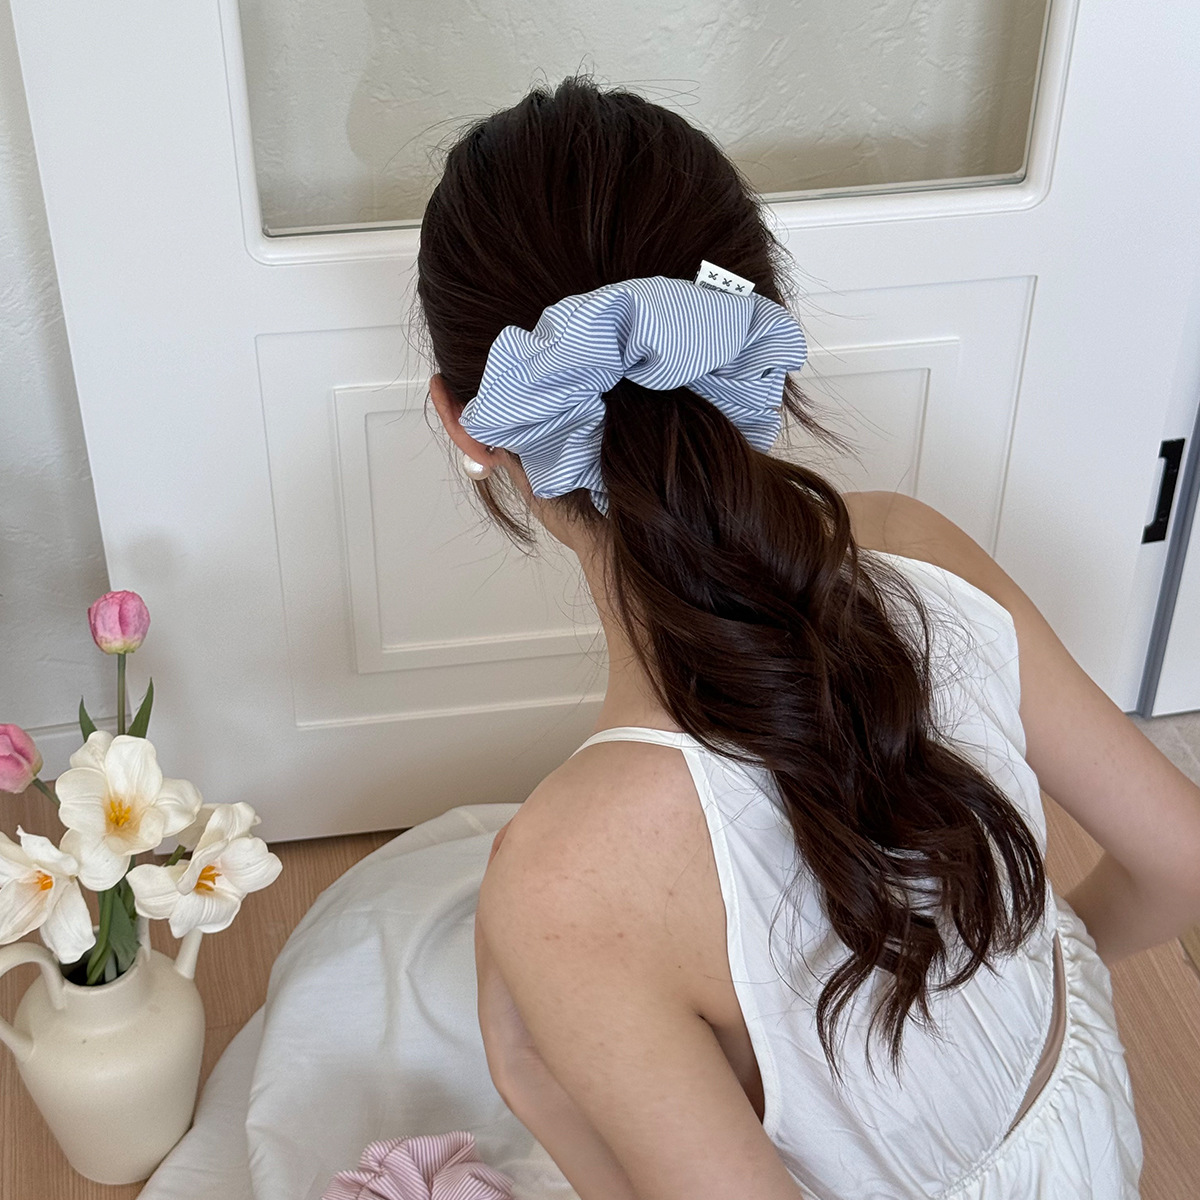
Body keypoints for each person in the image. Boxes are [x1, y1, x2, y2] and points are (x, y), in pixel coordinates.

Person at [417, 74, 1198, 1200]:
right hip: (1093, 1140)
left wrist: (532, 1080)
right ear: (760, 338)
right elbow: (1184, 859)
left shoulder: (563, 883)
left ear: (468, 425)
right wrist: (989, 991)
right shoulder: (919, 551)